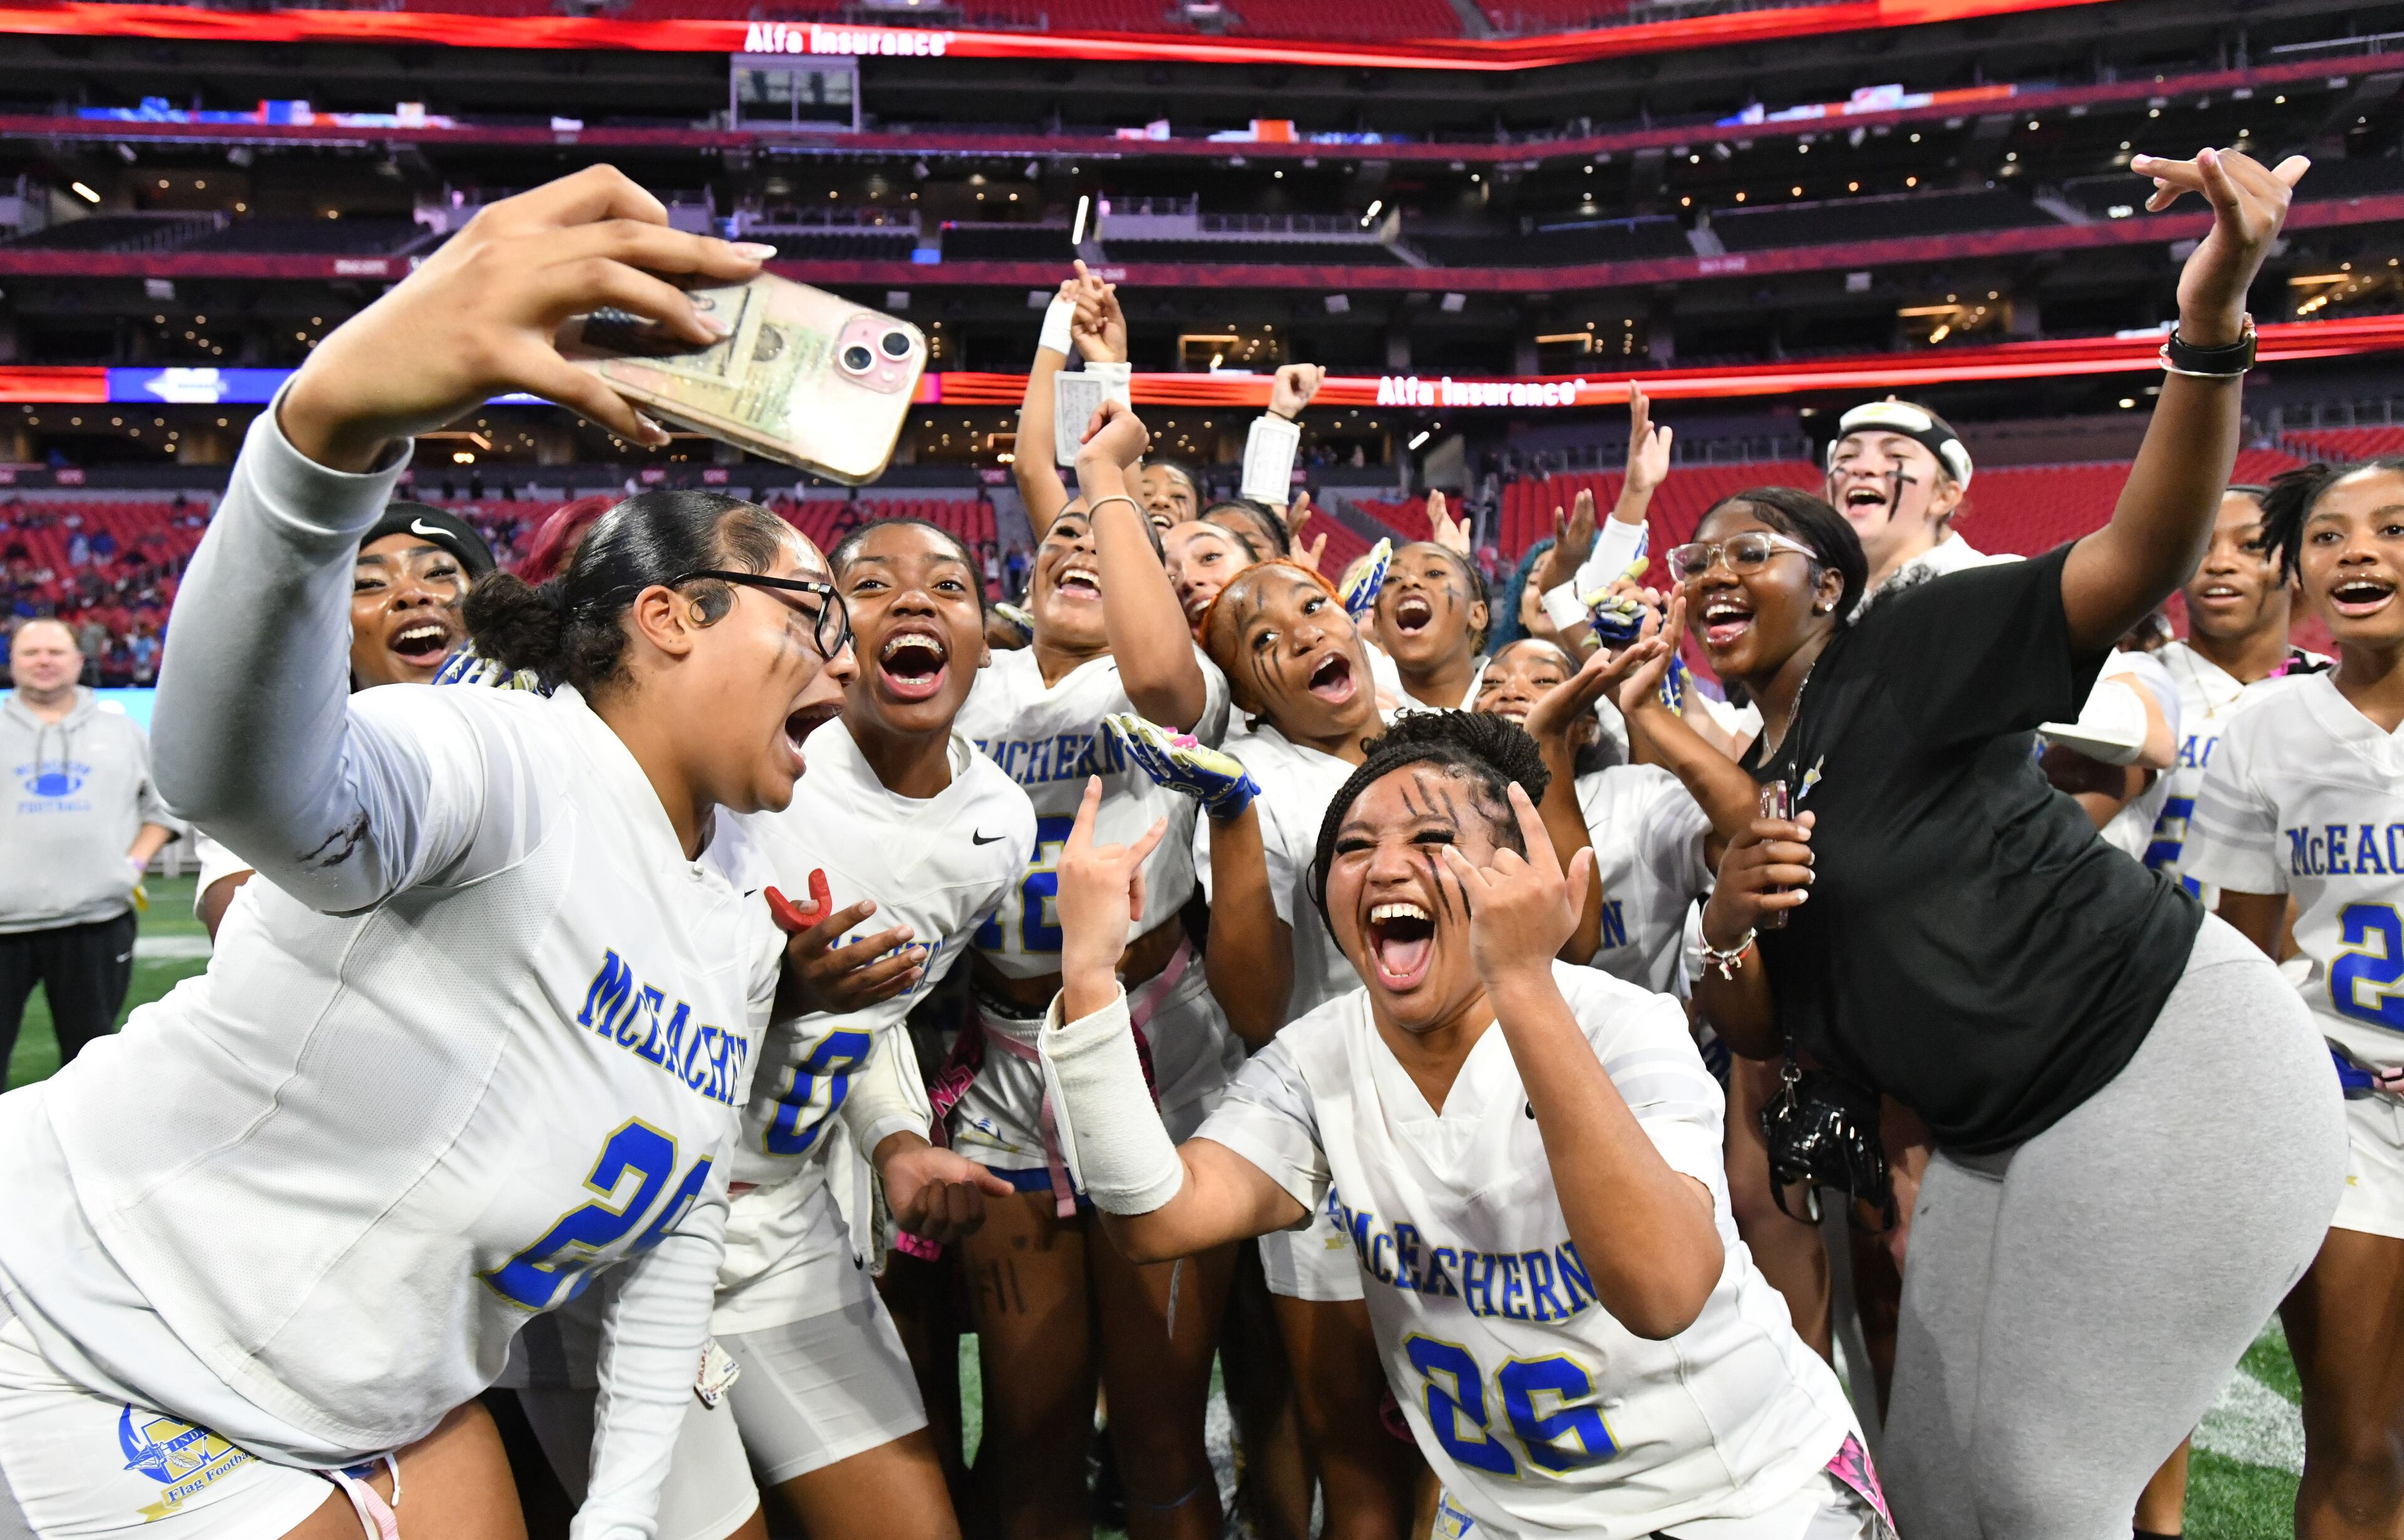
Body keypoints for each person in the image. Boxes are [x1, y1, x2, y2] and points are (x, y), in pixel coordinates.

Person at [0, 167, 994, 1540]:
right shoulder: (504, 757)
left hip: (376, 1390)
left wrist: (625, 1511)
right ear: (671, 618)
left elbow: (666, 1233)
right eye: (808, 610)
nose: (840, 658)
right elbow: (248, 783)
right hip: (86, 1320)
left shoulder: (726, 902)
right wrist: (328, 430)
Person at [1681, 145, 2345, 1540]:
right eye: (1696, 562)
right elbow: (1758, 1024)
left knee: (2046, 1494)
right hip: (2004, 1131)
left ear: (1836, 582)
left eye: (1754, 551)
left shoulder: (1918, 635)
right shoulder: (1767, 769)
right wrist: (1728, 919)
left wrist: (2213, 318)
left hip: (2164, 1064)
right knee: (1933, 1482)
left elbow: (2141, 556)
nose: (1715, 575)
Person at [1036, 714, 1886, 1539]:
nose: (1384, 867)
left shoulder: (1622, 1023)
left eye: (1432, 840)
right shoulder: (1319, 1058)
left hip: (1735, 1495)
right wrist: (1087, 977)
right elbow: (1154, 1216)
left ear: (1527, 879)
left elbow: (1664, 1294)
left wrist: (1521, 981)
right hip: (1508, 1515)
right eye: (1354, 847)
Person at [503, 516, 1029, 1540]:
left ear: (987, 635)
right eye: (853, 591)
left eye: (949, 585)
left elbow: (874, 1015)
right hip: (613, 1231)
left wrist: (896, 1139)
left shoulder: (997, 824)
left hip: (785, 1223)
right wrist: (770, 991)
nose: (904, 608)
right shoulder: (714, 770)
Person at [950, 398, 1240, 1540]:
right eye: (1057, 537)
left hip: (1156, 1052)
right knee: (1030, 1434)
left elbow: (1164, 672)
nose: (1077, 543)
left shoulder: (1167, 683)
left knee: (1162, 1438)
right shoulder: (970, 689)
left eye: (1104, 540)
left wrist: (1109, 481)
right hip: (1006, 1064)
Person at [2185, 455, 2404, 1540]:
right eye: (2328, 535)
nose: (2357, 550)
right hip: (2352, 1109)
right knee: (2358, 1441)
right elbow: (2244, 953)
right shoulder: (2266, 730)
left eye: (2391, 527)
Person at [192, 500, 500, 938]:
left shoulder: (554, 732)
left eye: (438, 572)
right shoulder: (273, 763)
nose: (413, 593)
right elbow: (242, 937)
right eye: (369, 583)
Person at [0, 616, 180, 1081]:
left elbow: (166, 806)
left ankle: (76, 1156)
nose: (44, 661)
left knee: (90, 1068)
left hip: (95, 923)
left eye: (55, 652)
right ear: (12, 662)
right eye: (31, 652)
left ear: (79, 661)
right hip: (4, 926)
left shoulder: (120, 731)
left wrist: (132, 864)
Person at [2144, 483, 2324, 898]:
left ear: (2295, 567)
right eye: (2201, 547)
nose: (2221, 563)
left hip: (2294, 958)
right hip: (2153, 951)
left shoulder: (2336, 693)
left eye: (2251, 546)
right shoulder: (2138, 685)